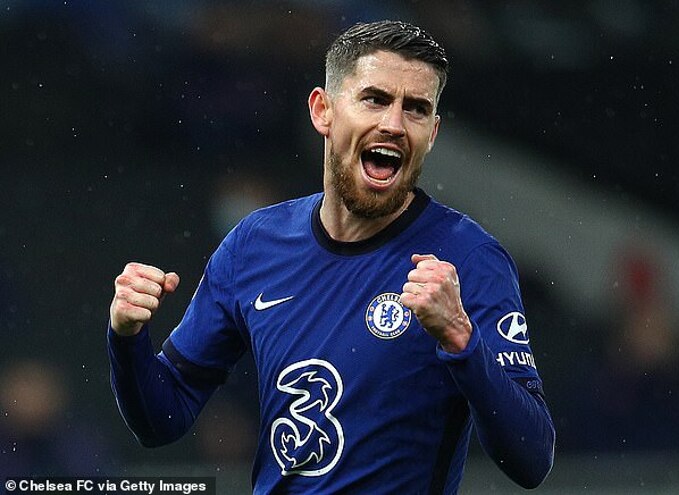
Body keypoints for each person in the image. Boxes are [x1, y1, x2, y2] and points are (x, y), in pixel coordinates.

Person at [107, 20, 555, 493]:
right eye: (375, 99)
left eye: (416, 109)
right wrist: (127, 338)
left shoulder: (470, 258)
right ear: (323, 111)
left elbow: (531, 458)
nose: (394, 124)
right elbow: (162, 417)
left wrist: (462, 340)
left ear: (432, 133)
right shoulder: (253, 245)